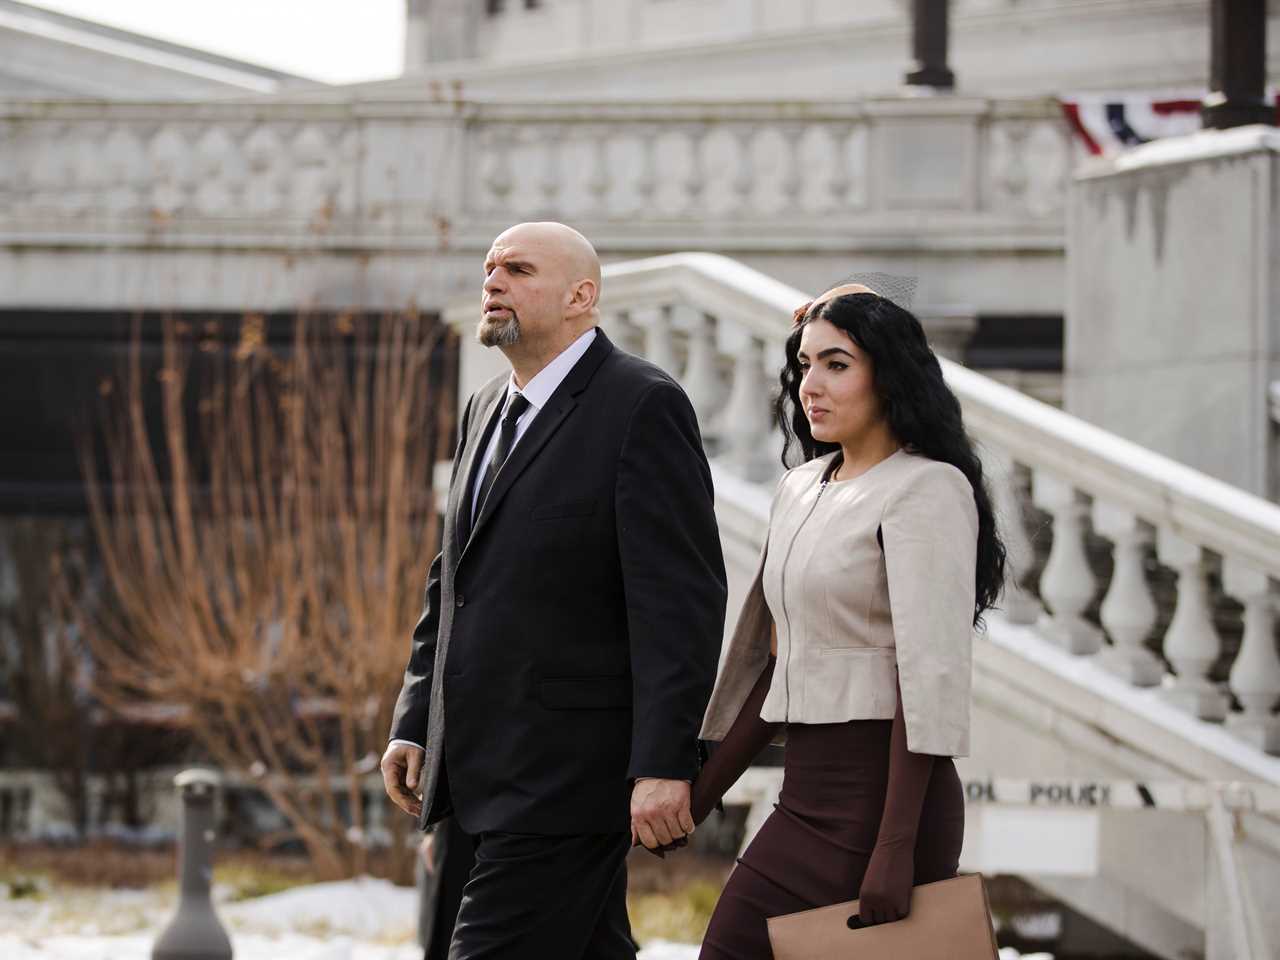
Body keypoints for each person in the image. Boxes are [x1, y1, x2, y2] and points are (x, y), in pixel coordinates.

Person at [380, 221, 727, 960]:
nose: (493, 282)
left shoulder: (642, 405)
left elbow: (680, 606)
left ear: (581, 296)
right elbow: (453, 583)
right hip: (473, 769)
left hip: (568, 777)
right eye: (489, 269)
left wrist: (665, 762)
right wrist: (417, 717)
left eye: (518, 269)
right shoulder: (484, 408)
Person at [690, 283, 1007, 958]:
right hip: (805, 797)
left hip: (887, 806)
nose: (811, 384)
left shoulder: (929, 488)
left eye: (837, 364)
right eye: (805, 365)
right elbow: (781, 661)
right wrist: (700, 794)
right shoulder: (801, 486)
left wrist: (895, 848)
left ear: (888, 376)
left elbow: (926, 677)